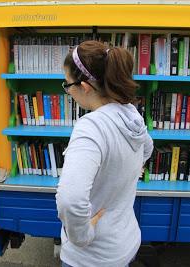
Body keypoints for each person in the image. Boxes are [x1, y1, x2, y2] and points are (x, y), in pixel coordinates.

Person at [56, 41, 154, 267]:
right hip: (125, 244)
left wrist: (82, 236)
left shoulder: (91, 127)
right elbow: (147, 147)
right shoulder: (130, 115)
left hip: (91, 258)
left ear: (85, 86)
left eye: (67, 84)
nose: (68, 91)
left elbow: (69, 200)